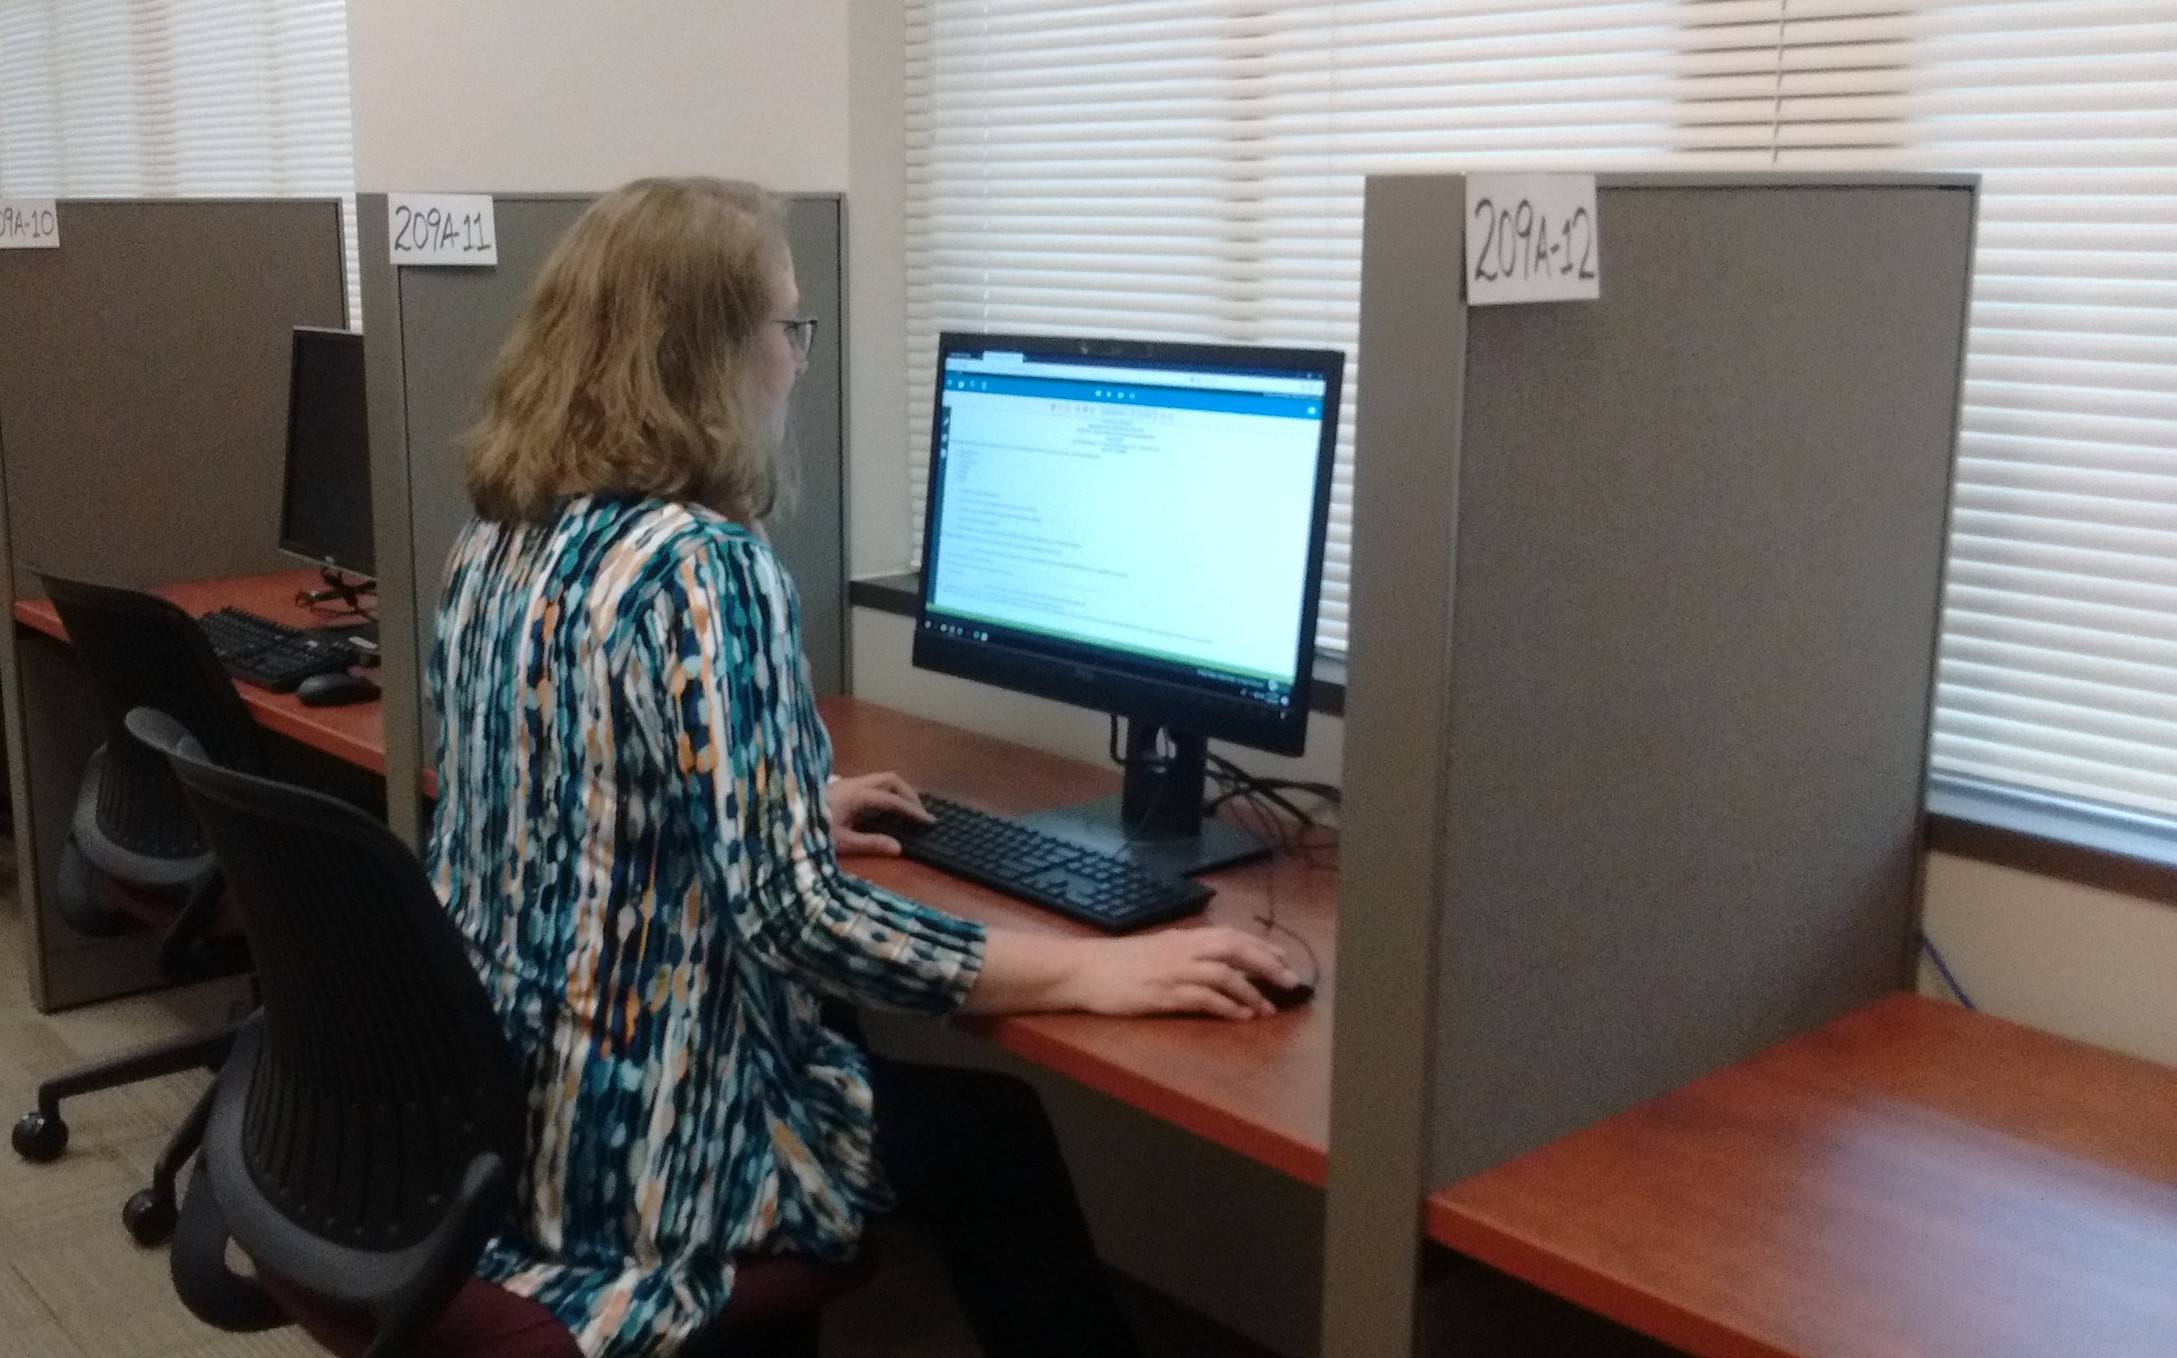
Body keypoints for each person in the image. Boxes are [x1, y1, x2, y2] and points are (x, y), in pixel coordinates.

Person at [426, 177, 1297, 1358]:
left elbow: (545, 792)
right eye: (785, 327)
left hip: (504, 1110)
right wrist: (1091, 973)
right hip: (644, 1153)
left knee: (896, 1075)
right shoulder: (701, 565)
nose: (796, 360)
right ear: (704, 354)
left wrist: (779, 806)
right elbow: (796, 917)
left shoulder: (500, 537)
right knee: (995, 1134)